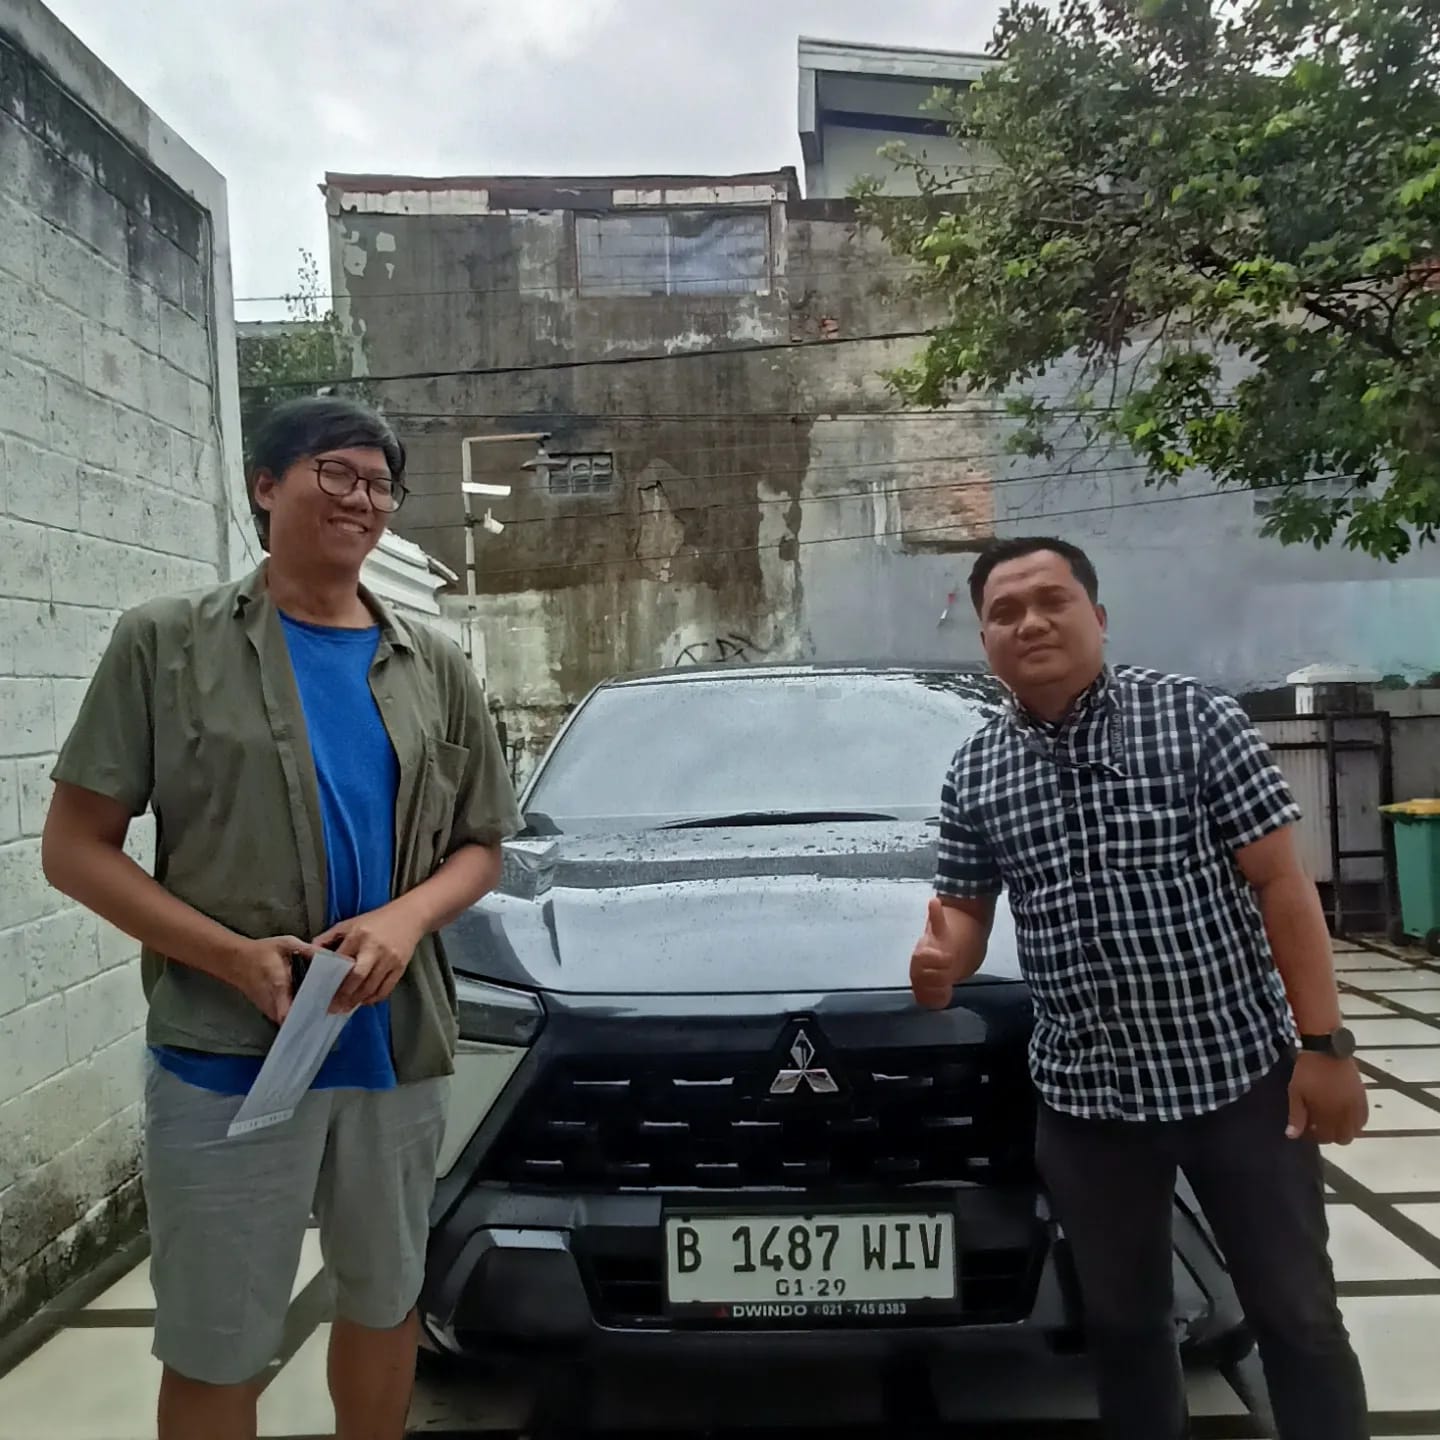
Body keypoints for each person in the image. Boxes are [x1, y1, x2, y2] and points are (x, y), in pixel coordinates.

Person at [42, 396, 521, 1440]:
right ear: (265, 485)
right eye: (335, 472)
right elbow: (74, 849)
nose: (361, 499)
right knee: (218, 1338)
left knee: (385, 1299)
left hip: (393, 1045)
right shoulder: (165, 643)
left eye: (380, 484)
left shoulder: (433, 662)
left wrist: (404, 922)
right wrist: (228, 957)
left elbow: (483, 843)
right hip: (226, 1051)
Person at [909, 537, 1369, 1440]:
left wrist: (1324, 1048)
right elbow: (963, 908)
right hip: (1087, 1107)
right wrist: (943, 961)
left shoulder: (1197, 719)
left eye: (1052, 601)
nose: (1030, 623)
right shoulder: (976, 769)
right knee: (1125, 1330)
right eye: (1005, 612)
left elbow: (1282, 884)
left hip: (1237, 1082)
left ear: (1098, 615)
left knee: (1297, 1316)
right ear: (985, 639)